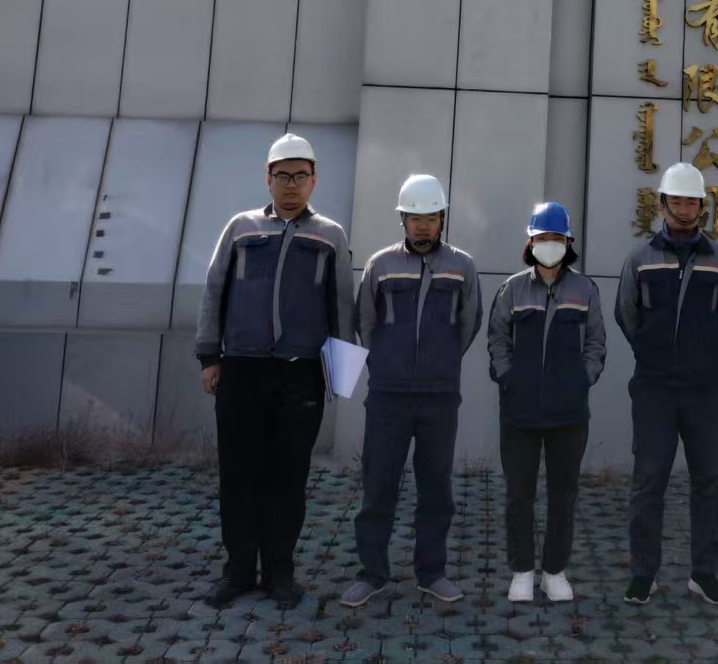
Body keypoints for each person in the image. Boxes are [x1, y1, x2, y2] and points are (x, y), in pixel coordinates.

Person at [196, 133, 355, 609]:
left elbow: (341, 306)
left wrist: (341, 375)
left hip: (299, 376)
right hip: (241, 371)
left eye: (300, 176)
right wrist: (209, 356)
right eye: (282, 175)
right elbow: (214, 289)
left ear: (314, 181)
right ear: (267, 178)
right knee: (239, 475)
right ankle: (239, 571)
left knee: (289, 478)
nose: (291, 184)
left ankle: (280, 573)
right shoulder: (240, 228)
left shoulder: (329, 235)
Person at [341, 174, 483, 608]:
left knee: (436, 489)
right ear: (402, 219)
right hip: (388, 395)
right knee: (378, 486)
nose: (423, 225)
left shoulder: (462, 266)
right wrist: (387, 362)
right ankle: (372, 574)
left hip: (440, 397)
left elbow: (468, 323)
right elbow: (365, 321)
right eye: (415, 218)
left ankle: (432, 572)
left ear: (443, 219)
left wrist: (441, 362)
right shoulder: (380, 265)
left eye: (431, 217)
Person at [615, 161, 718, 607]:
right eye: (677, 201)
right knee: (649, 481)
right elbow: (627, 315)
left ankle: (704, 574)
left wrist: (707, 355)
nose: (685, 209)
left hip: (706, 389)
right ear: (663, 205)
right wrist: (652, 354)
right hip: (654, 388)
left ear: (701, 207)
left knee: (711, 481)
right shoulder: (640, 259)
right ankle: (643, 574)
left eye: (692, 202)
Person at [487, 202, 608, 604]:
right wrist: (509, 378)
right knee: (518, 494)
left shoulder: (585, 290)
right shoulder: (512, 289)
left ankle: (554, 571)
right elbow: (497, 339)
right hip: (519, 412)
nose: (550, 244)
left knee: (563, 495)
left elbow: (596, 343)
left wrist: (582, 379)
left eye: (557, 238)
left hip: (569, 413)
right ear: (531, 242)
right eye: (543, 238)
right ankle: (522, 571)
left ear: (568, 242)